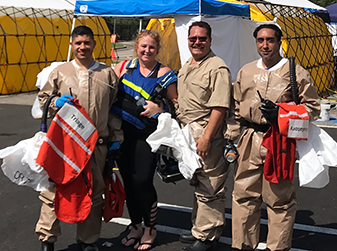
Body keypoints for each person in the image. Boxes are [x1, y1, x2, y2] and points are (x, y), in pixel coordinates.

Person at [231, 23, 320, 251]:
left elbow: (312, 108)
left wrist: (281, 114)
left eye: (270, 40)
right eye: (260, 40)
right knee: (243, 195)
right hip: (249, 139)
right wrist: (232, 138)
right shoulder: (246, 71)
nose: (265, 45)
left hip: (278, 142)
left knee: (279, 200)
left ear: (279, 42)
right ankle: (242, 245)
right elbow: (234, 105)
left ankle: (277, 248)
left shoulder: (295, 72)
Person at [35, 25, 123, 251]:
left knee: (94, 192)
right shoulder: (60, 72)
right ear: (72, 45)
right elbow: (42, 101)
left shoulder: (107, 74)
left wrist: (116, 136)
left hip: (97, 146)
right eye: (78, 43)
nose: (83, 47)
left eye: (87, 43)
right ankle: (47, 238)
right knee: (53, 191)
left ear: (94, 44)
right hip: (65, 147)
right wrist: (55, 102)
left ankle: (88, 240)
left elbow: (115, 108)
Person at [111, 29, 177, 251]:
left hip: (147, 136)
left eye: (151, 47)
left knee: (142, 181)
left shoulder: (164, 73)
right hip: (123, 133)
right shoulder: (124, 68)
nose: (147, 50)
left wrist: (159, 107)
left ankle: (151, 228)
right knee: (128, 180)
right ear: (136, 47)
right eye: (143, 46)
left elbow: (177, 105)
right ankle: (136, 225)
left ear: (157, 50)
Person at [176, 21, 232, 251]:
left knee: (211, 185)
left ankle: (208, 237)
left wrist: (207, 137)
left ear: (210, 40)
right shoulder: (188, 65)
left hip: (207, 133)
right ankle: (199, 228)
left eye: (202, 38)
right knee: (198, 182)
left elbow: (219, 107)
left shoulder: (217, 67)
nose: (197, 42)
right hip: (188, 132)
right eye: (193, 39)